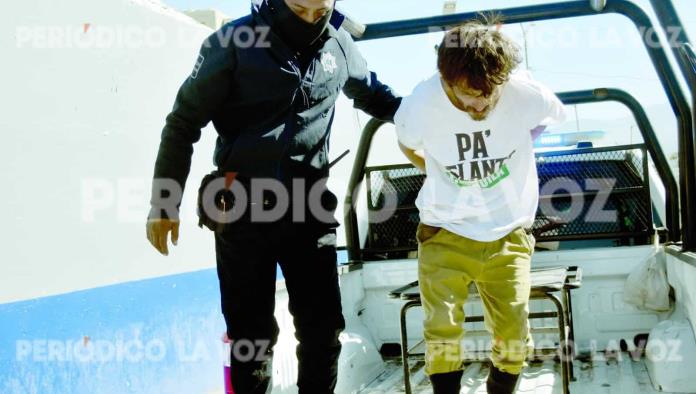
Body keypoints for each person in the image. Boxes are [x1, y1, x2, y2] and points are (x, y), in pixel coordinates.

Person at [145, 0, 401, 393]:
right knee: (252, 338)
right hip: (240, 208)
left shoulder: (340, 46)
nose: (311, 20)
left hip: (308, 208)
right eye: (300, 10)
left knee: (323, 331)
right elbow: (182, 123)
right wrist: (164, 203)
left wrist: (445, 118)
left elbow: (381, 100)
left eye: (320, 12)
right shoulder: (232, 42)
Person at [394, 17, 566, 394]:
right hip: (443, 231)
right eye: (469, 94)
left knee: (514, 334)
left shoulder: (526, 94)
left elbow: (554, 117)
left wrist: (523, 142)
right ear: (446, 79)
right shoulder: (421, 103)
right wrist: (433, 170)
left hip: (508, 231)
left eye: (491, 92)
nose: (481, 102)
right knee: (441, 329)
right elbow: (405, 142)